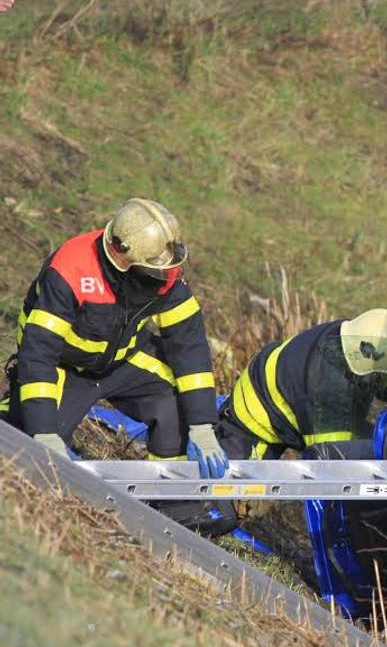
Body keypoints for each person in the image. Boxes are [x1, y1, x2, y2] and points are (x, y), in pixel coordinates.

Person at [1, 198, 227, 477]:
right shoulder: (71, 270)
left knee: (178, 403)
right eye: (153, 268)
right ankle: (13, 414)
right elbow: (38, 354)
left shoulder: (162, 272)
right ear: (120, 254)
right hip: (63, 368)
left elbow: (189, 348)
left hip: (122, 361)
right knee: (36, 443)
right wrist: (44, 431)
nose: (164, 275)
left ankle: (173, 499)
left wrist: (202, 425)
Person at [214, 309, 387, 460]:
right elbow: (332, 460)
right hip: (255, 421)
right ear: (375, 375)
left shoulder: (353, 337)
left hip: (278, 380)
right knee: (226, 503)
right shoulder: (329, 393)